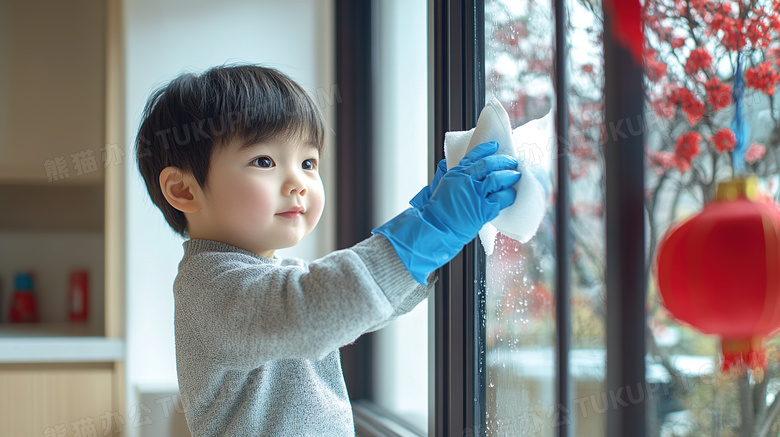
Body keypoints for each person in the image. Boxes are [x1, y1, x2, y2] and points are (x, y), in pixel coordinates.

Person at [135, 64, 521, 436]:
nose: (299, 182)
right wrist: (431, 228)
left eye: (308, 162)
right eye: (264, 161)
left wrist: (432, 244)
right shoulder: (209, 287)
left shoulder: (275, 274)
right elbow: (316, 306)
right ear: (184, 190)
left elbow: (358, 311)